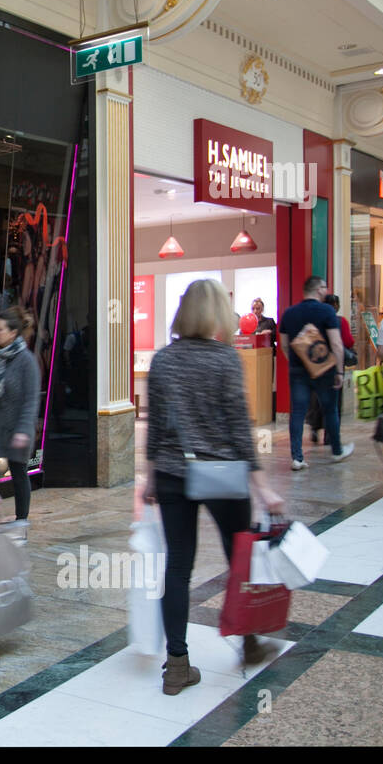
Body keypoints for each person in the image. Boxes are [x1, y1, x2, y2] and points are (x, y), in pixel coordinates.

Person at [143, 279, 286, 694]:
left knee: (178, 565)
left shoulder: (164, 360)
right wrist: (262, 486)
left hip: (174, 473)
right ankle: (250, 641)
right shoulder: (226, 360)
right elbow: (240, 429)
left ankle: (177, 665)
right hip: (223, 475)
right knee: (238, 559)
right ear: (218, 314)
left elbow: (155, 427)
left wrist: (151, 475)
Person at [279, 276, 354, 470]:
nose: (326, 290)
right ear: (319, 289)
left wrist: (298, 362)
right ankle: (337, 451)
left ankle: (297, 458)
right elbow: (337, 344)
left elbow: (285, 345)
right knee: (330, 409)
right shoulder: (327, 311)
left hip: (297, 370)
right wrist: (338, 370)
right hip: (325, 369)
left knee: (298, 412)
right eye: (324, 287)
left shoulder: (289, 313)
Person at [0, 306, 40, 524]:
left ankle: (21, 520)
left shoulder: (26, 361)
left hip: (17, 430)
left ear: (13, 333)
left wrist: (23, 431)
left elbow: (31, 401)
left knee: (18, 473)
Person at [306, 293, 356, 444]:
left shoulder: (314, 322)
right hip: (334, 366)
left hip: (317, 365)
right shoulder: (341, 321)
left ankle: (315, 427)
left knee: (316, 399)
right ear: (337, 306)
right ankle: (330, 435)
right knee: (333, 403)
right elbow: (348, 341)